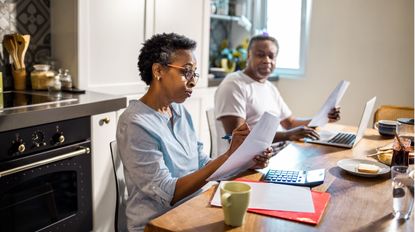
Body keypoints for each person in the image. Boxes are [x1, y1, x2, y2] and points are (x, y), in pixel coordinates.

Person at [116, 33, 273, 231]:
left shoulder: (179, 110)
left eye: (194, 73)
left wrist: (247, 160)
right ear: (158, 71)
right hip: (158, 225)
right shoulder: (135, 123)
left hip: (193, 210)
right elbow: (168, 192)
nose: (193, 81)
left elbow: (202, 164)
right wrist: (227, 155)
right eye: (186, 72)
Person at [214, 34, 340, 145]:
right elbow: (237, 138)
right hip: (250, 163)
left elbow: (290, 123)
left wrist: (323, 117)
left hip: (277, 152)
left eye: (271, 56)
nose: (267, 60)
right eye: (260, 55)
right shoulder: (234, 84)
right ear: (248, 56)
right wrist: (287, 135)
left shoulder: (269, 87)